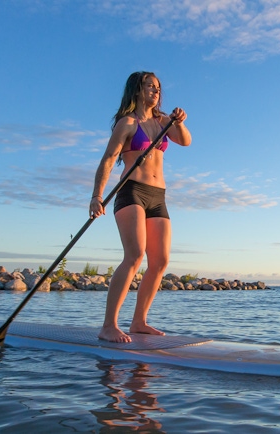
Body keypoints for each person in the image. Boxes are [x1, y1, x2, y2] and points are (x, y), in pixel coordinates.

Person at [89, 71, 192, 343]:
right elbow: (109, 159)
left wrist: (178, 121)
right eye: (149, 86)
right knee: (135, 255)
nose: (155, 91)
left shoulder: (163, 121)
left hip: (158, 196)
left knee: (160, 261)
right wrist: (96, 196)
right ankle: (109, 325)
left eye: (158, 88)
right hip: (131, 191)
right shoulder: (128, 123)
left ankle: (139, 322)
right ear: (137, 90)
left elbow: (185, 140)